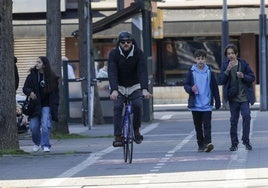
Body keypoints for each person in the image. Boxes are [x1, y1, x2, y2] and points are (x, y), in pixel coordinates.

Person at [108, 31, 152, 147]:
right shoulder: (114, 54)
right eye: (123, 42)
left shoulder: (138, 53)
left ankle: (136, 130)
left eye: (128, 42)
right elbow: (112, 72)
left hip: (135, 85)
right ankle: (118, 136)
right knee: (117, 107)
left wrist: (144, 89)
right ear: (119, 43)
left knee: (138, 105)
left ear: (132, 42)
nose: (126, 44)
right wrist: (114, 89)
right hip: (119, 87)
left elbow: (142, 71)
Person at [219, 43, 255, 151]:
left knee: (246, 116)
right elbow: (221, 81)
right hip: (233, 98)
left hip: (244, 97)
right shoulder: (225, 65)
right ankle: (234, 143)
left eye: (232, 53)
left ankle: (246, 141)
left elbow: (252, 77)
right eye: (228, 54)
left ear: (236, 54)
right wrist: (227, 70)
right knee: (233, 120)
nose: (230, 55)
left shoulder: (243, 64)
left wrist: (243, 76)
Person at [184, 49, 221, 152]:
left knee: (207, 125)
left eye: (202, 59)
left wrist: (217, 101)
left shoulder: (209, 72)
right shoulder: (191, 72)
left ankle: (208, 143)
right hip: (195, 105)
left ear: (205, 59)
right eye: (198, 59)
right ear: (195, 59)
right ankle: (201, 145)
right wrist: (191, 89)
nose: (200, 61)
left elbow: (214, 87)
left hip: (207, 104)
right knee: (198, 127)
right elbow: (186, 85)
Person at [23, 56, 60, 152]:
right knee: (33, 127)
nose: (36, 64)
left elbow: (55, 93)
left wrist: (55, 106)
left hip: (47, 105)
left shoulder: (52, 77)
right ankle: (37, 143)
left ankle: (45, 145)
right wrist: (30, 93)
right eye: (36, 62)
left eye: (39, 62)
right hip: (35, 105)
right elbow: (25, 88)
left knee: (45, 124)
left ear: (44, 65)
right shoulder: (32, 76)